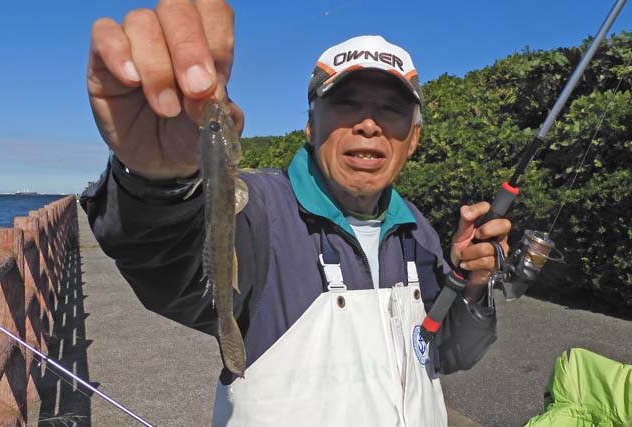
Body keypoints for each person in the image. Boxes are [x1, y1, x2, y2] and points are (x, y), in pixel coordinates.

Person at [81, 1, 512, 425]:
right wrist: (158, 183)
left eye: (391, 108)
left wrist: (471, 285)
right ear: (310, 124)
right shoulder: (261, 209)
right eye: (346, 103)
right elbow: (169, 261)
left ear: (413, 137)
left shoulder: (416, 230)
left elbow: (445, 353)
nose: (368, 124)